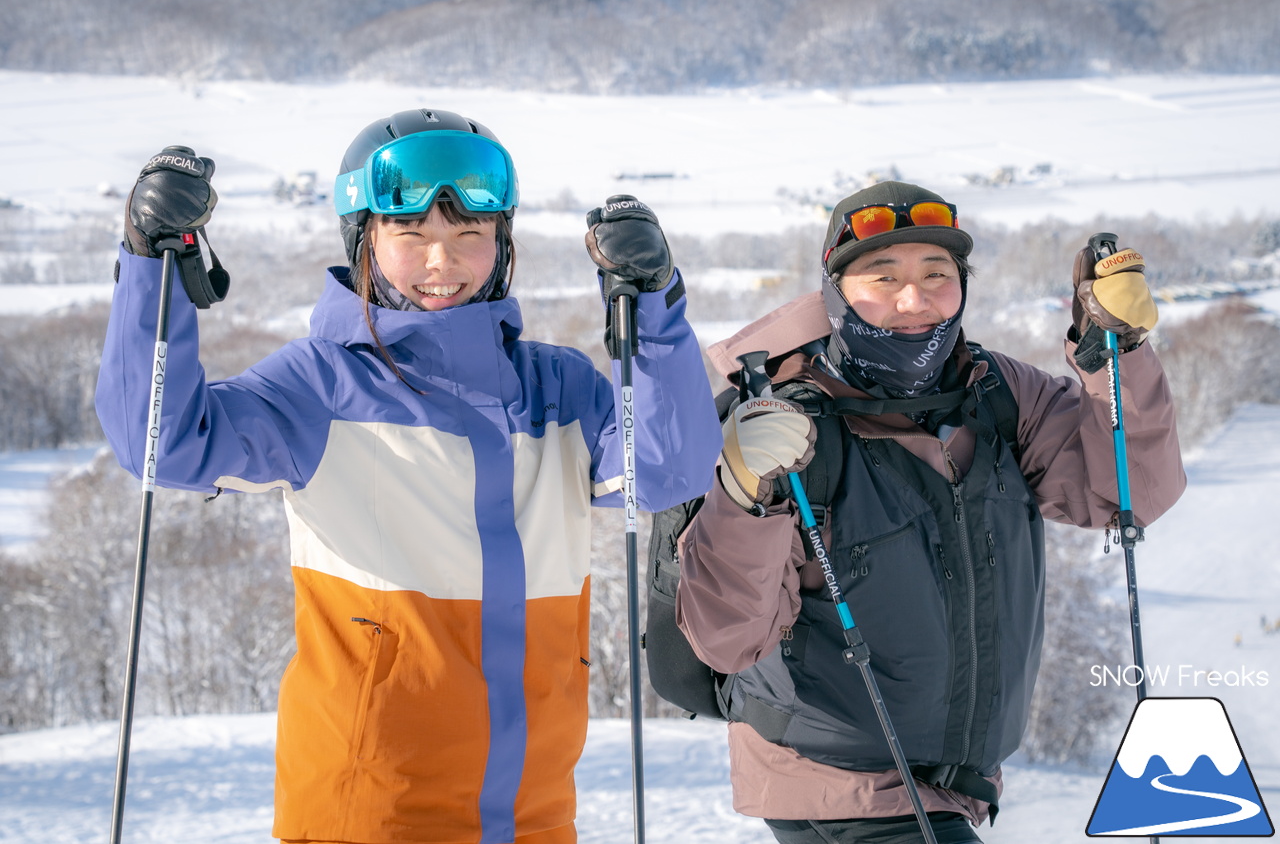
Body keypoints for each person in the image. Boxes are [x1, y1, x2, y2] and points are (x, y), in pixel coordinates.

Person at [96, 108, 721, 844]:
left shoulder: (559, 389)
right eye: (411, 234)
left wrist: (651, 298)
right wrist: (152, 265)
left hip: (534, 817)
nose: (441, 262)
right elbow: (162, 443)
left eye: (470, 234)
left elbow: (669, 469)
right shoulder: (320, 387)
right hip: (367, 815)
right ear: (364, 238)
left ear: (502, 241)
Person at [674, 180, 1186, 843]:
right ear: (835, 291)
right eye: (883, 276)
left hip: (951, 789)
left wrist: (1115, 357)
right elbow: (726, 637)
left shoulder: (998, 395)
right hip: (837, 785)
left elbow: (1127, 494)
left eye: (936, 274)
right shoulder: (786, 426)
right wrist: (745, 493)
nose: (914, 300)